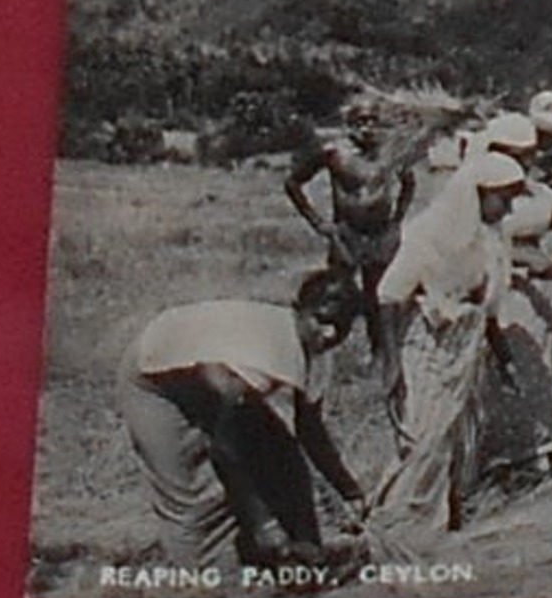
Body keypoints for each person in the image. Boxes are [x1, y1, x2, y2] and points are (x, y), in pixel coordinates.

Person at [117, 269, 368, 569]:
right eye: (321, 320)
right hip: (154, 370)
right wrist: (263, 523)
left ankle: (298, 559)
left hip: (210, 372)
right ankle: (194, 587)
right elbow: (225, 447)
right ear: (297, 309)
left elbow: (309, 431)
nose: (329, 334)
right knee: (187, 500)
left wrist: (351, 492)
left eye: (341, 327)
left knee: (284, 457)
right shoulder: (271, 348)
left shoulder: (317, 353)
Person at [371, 152, 529, 532]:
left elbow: (486, 309)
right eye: (503, 199)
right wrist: (392, 365)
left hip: (464, 350)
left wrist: (504, 359)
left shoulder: (489, 238)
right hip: (428, 350)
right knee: (422, 439)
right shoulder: (431, 233)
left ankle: (434, 522)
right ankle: (392, 521)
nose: (507, 209)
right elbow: (390, 296)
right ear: (480, 193)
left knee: (448, 441)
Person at [285, 100, 416, 373]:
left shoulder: (392, 154)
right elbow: (293, 182)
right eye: (361, 122)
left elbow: (409, 183)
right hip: (346, 233)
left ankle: (379, 353)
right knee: (337, 293)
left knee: (378, 295)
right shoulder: (333, 152)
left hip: (380, 233)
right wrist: (319, 223)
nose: (367, 128)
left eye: (373, 122)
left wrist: (397, 219)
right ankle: (324, 350)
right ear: (350, 126)